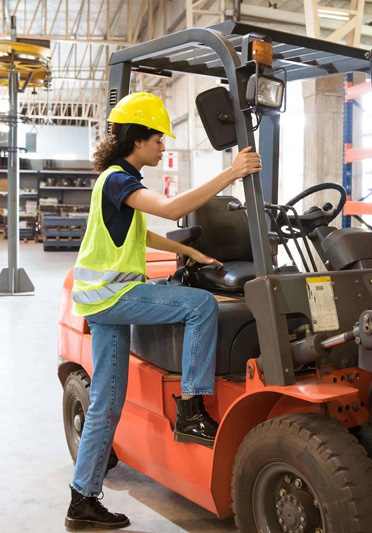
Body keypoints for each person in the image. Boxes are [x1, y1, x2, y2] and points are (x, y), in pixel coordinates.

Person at [65, 92, 261, 530]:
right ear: (138, 139)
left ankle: (82, 500)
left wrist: (190, 253)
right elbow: (173, 210)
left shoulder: (118, 181)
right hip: (112, 296)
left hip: (100, 300)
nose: (162, 146)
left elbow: (141, 235)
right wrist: (232, 172)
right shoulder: (118, 180)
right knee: (201, 306)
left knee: (105, 404)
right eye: (158, 139)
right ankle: (191, 409)